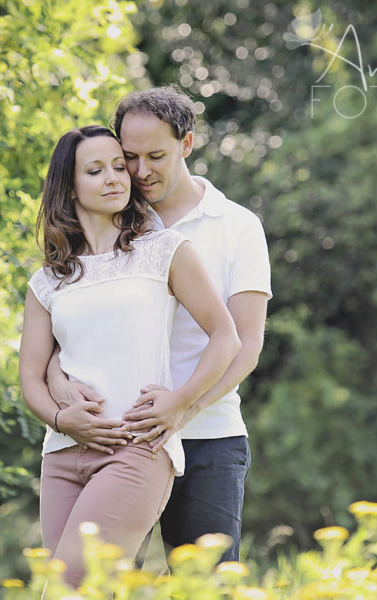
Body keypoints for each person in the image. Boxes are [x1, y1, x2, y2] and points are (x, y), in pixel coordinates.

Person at [46, 87, 272, 563]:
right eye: (129, 157)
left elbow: (245, 344)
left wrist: (182, 409)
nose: (141, 171)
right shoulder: (109, 221)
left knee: (205, 589)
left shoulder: (237, 226)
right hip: (117, 439)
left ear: (187, 144)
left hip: (208, 435)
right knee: (96, 582)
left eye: (156, 156)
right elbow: (63, 329)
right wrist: (61, 391)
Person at [18, 124, 240, 588]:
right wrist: (62, 422)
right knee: (78, 590)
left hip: (135, 449)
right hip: (61, 455)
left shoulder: (163, 251)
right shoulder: (48, 281)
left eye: (119, 167)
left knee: (70, 590)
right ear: (69, 186)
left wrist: (182, 400)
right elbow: (32, 381)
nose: (116, 177)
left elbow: (227, 337)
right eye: (95, 170)